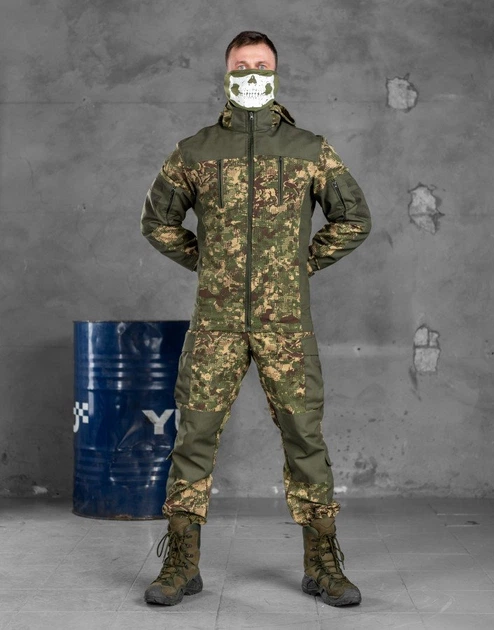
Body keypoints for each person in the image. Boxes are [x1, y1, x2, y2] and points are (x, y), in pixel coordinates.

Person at [140, 30, 371, 608]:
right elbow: (158, 222)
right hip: (215, 323)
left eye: (261, 65)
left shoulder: (308, 149)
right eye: (241, 65)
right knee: (192, 437)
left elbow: (353, 218)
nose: (251, 74)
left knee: (304, 438)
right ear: (226, 73)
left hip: (285, 324)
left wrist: (300, 265)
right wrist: (207, 263)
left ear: (276, 73)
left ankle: (322, 564)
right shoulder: (195, 151)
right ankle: (181, 563)